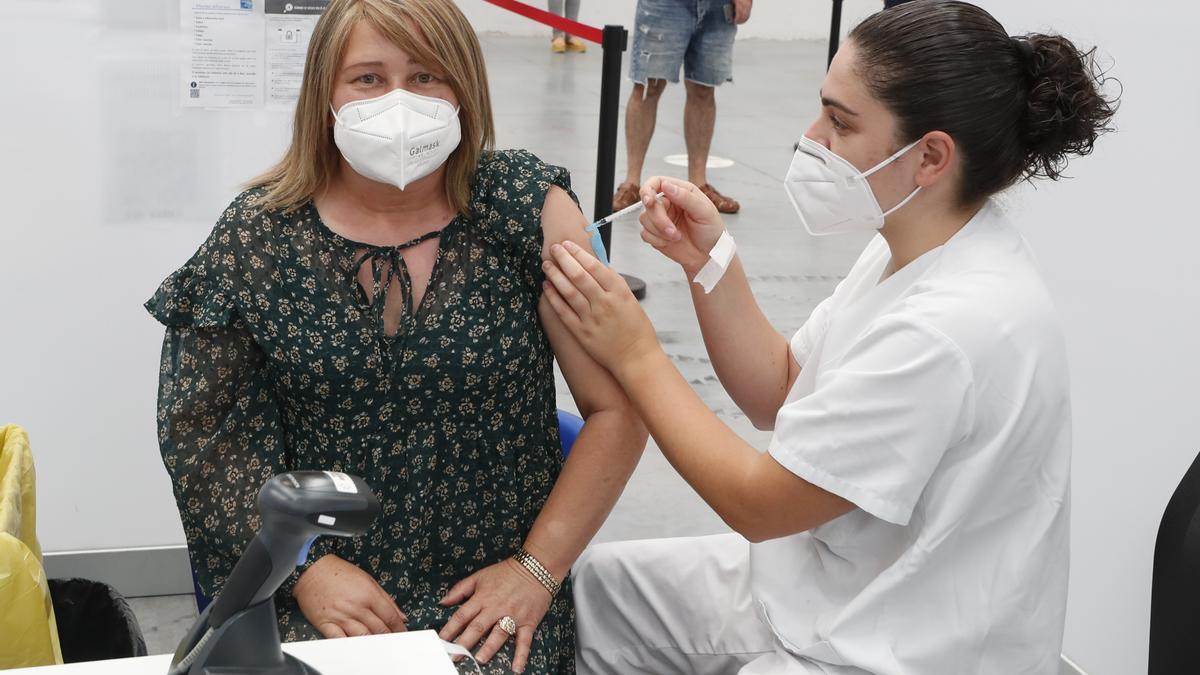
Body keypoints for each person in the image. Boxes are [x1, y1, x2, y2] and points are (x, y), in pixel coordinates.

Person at [543, 2, 1117, 673]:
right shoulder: (914, 243)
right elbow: (781, 388)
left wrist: (636, 353)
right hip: (828, 585)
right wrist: (711, 263)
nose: (810, 137)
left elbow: (759, 503)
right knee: (603, 591)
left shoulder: (953, 327)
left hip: (898, 645)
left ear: (929, 155)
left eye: (839, 122)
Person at [146, 1, 647, 673]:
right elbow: (203, 437)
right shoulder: (257, 237)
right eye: (369, 79)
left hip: (492, 599)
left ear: (465, 87)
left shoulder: (529, 212)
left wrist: (535, 569)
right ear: (326, 92)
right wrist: (306, 572)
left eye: (427, 76)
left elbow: (620, 407)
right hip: (326, 598)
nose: (399, 101)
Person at [612, 0, 752, 215]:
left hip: (719, 6)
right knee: (649, 86)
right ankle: (631, 182)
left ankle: (699, 185)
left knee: (704, 89)